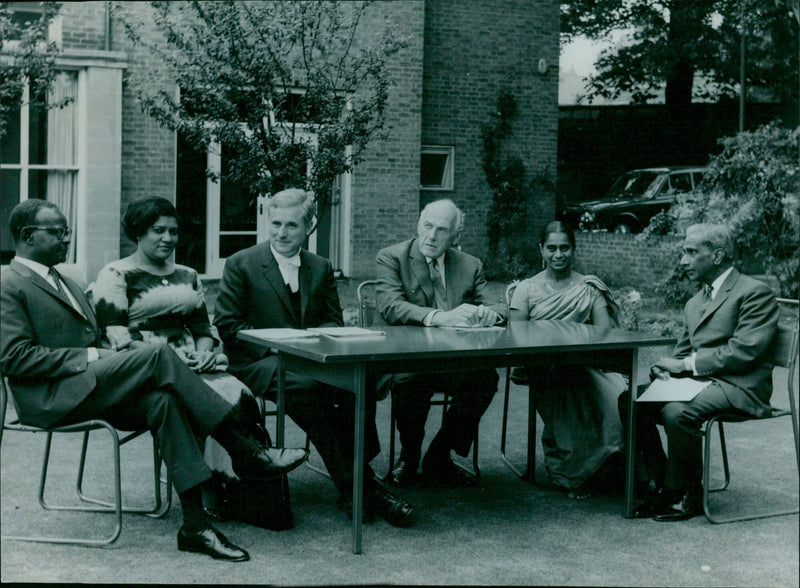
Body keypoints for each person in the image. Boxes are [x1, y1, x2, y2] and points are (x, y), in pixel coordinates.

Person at [0, 199, 309, 562]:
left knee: (165, 400)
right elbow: (13, 358)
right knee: (159, 355)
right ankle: (246, 452)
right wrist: (98, 355)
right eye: (57, 232)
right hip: (51, 397)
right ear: (27, 236)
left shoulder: (65, 279)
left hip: (88, 386)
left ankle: (195, 526)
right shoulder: (10, 283)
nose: (66, 238)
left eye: (67, 231)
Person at [213, 188, 415, 527]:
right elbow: (228, 325)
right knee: (310, 388)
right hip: (258, 363)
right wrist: (279, 345)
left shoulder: (319, 267)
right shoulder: (241, 263)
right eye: (275, 223)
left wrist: (312, 342)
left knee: (355, 380)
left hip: (309, 362)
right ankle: (362, 489)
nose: (281, 233)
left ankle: (356, 486)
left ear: (308, 226)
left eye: (291, 225)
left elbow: (332, 321)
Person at [92, 197, 270, 521]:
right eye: (158, 230)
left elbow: (202, 325)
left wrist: (203, 352)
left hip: (191, 359)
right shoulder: (117, 274)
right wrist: (175, 360)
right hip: (143, 367)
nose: (168, 238)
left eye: (173, 231)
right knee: (194, 400)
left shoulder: (188, 274)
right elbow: (115, 336)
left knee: (237, 394)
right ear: (138, 232)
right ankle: (211, 485)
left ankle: (243, 486)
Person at [624, 223, 779, 521]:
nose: (683, 261)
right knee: (631, 401)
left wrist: (684, 366)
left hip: (740, 386)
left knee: (676, 413)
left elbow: (745, 352)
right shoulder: (695, 301)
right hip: (701, 382)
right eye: (684, 252)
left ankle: (687, 493)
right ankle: (665, 484)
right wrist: (663, 367)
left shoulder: (754, 292)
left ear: (717, 255)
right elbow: (683, 351)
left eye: (691, 252)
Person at [374, 199, 506, 488]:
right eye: (427, 226)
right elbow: (390, 305)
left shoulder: (470, 265)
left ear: (456, 236)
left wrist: (489, 314)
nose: (431, 236)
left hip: (451, 359)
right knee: (411, 381)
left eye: (441, 230)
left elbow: (499, 306)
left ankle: (439, 455)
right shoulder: (392, 257)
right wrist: (438, 317)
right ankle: (409, 457)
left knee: (484, 378)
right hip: (404, 358)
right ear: (418, 223)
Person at [508, 220, 626, 499]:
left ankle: (610, 466)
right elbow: (516, 337)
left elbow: (603, 334)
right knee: (569, 391)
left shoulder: (588, 287)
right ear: (541, 250)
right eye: (552, 248)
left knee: (619, 395)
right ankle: (573, 472)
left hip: (587, 364)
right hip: (543, 368)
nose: (558, 255)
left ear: (574, 249)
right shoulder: (526, 289)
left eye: (565, 248)